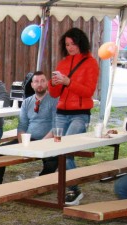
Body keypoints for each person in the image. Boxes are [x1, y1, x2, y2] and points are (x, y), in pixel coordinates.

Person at [49, 27, 99, 206]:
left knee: (66, 149)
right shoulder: (63, 63)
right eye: (67, 44)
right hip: (61, 113)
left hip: (80, 113)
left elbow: (88, 91)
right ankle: (71, 186)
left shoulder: (91, 63)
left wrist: (69, 82)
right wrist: (53, 83)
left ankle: (74, 188)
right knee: (61, 150)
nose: (70, 47)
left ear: (81, 43)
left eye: (73, 44)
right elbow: (54, 94)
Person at [0, 71, 58, 186]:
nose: (39, 84)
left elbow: (55, 126)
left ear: (47, 83)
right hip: (28, 140)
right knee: (0, 151)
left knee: (54, 159)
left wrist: (42, 143)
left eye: (42, 81)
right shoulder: (26, 102)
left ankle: (39, 184)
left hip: (46, 141)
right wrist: (22, 143)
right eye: (36, 81)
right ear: (32, 85)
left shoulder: (54, 100)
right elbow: (22, 125)